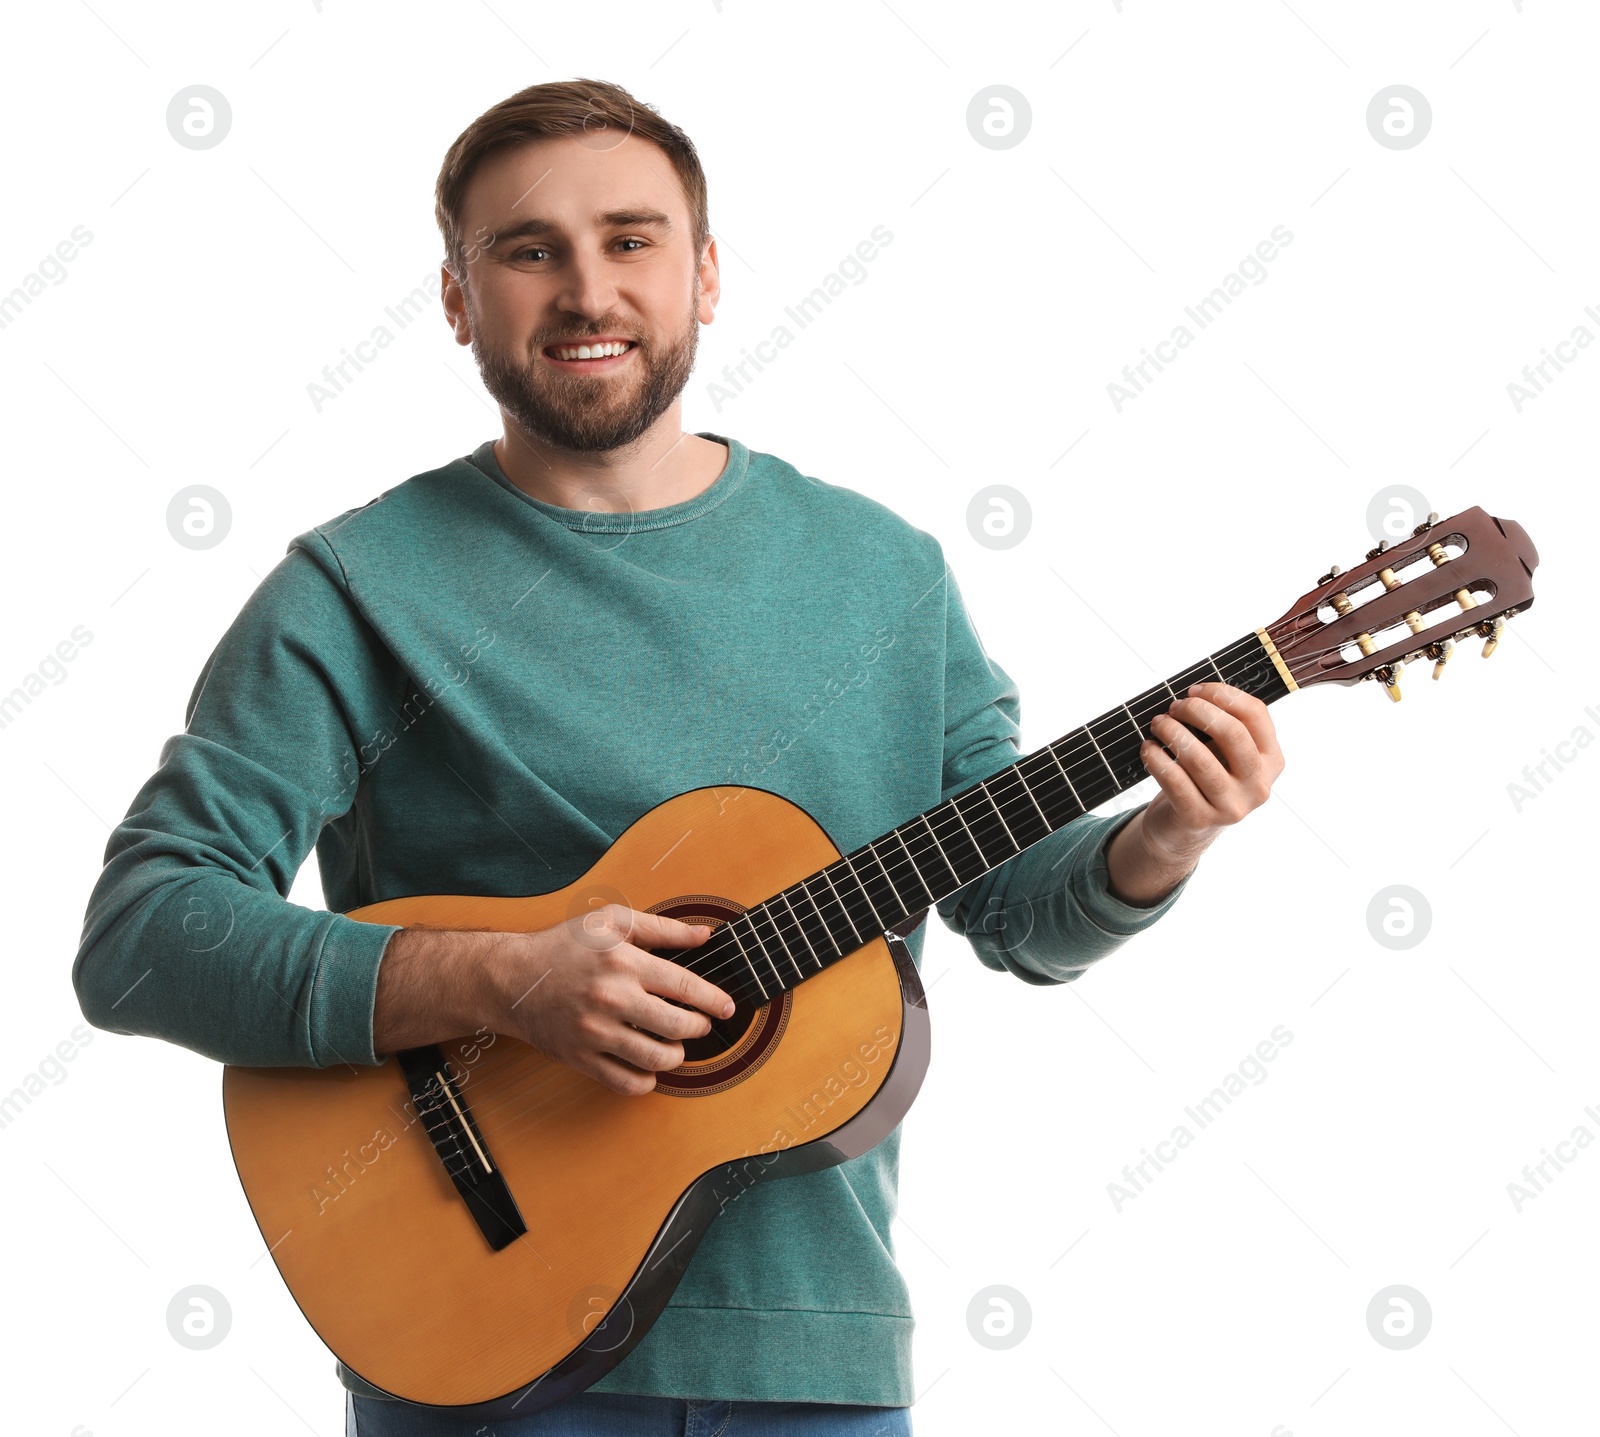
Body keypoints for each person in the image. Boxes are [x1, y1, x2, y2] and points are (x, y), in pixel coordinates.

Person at [72, 78, 1285, 1437]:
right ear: (459, 301)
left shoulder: (884, 576)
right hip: (480, 1356)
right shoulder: (355, 589)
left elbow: (1012, 907)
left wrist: (1160, 839)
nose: (589, 289)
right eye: (529, 252)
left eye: (634, 240)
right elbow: (141, 934)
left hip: (815, 1362)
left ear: (707, 276)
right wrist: (504, 977)